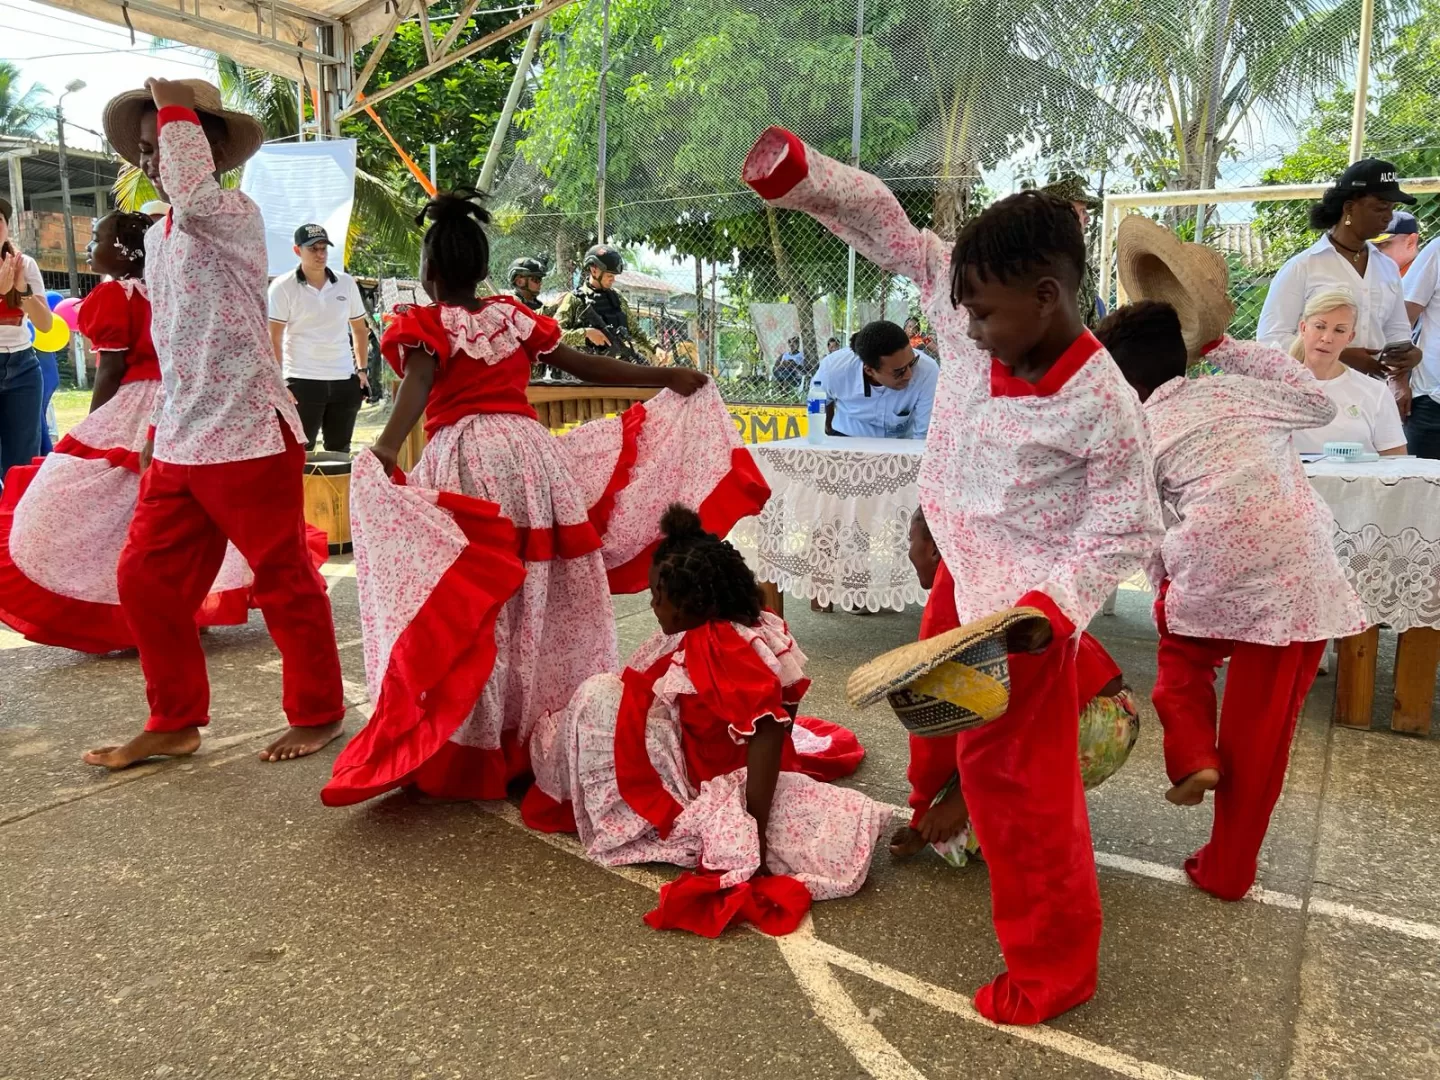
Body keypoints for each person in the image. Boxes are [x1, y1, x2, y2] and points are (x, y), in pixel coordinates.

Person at [744, 126, 1162, 1025]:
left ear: (1048, 297)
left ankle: (1054, 972)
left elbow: (1125, 523)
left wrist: (1052, 607)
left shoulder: (1102, 402)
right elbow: (886, 226)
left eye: (982, 318)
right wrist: (803, 177)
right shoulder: (978, 296)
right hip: (959, 577)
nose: (962, 333)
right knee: (929, 724)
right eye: (960, 312)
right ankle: (938, 815)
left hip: (1023, 623)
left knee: (1025, 802)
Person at [320, 192, 770, 808]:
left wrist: (385, 450)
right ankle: (539, 729)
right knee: (539, 591)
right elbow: (586, 366)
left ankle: (480, 738)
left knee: (479, 598)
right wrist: (663, 375)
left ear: (429, 272)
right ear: (484, 268)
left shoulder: (425, 324)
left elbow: (418, 386)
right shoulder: (512, 317)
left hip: (467, 462)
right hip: (531, 463)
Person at [83, 77, 345, 769]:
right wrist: (154, 430)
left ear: (213, 152)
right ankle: (173, 721)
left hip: (249, 430)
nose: (153, 160)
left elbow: (194, 193)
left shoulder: (231, 211)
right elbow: (173, 339)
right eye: (146, 148)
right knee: (145, 580)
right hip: (182, 436)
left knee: (282, 579)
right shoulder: (160, 235)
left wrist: (176, 107)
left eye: (167, 142)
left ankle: (318, 711)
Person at [1095, 293, 1364, 902]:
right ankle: (1229, 869)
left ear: (1125, 385)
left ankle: (1194, 755)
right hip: (1303, 573)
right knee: (1263, 733)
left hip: (1214, 564)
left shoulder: (1140, 430)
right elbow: (1317, 398)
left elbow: (1146, 527)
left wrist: (1170, 593)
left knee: (1182, 660)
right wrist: (1226, 347)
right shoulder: (1241, 391)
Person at [520, 504, 886, 935]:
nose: (652, 604)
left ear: (691, 603)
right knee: (603, 702)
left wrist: (753, 828)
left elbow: (768, 729)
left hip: (713, 773)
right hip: (714, 752)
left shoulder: (718, 646)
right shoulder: (743, 624)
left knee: (596, 699)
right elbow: (780, 710)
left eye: (658, 596)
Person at [0, 211, 323, 651]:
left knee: (123, 515)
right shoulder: (171, 288)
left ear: (123, 252)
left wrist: (97, 423)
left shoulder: (115, 295)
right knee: (193, 510)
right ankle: (193, 605)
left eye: (97, 239)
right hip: (186, 399)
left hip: (137, 405)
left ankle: (130, 612)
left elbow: (111, 369)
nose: (91, 249)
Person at [890, 509, 1139, 864]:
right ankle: (1027, 798)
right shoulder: (990, 561)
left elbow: (937, 729)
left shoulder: (953, 587)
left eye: (910, 541)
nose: (908, 552)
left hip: (1093, 723)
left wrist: (945, 806)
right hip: (1104, 712)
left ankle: (1028, 808)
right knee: (969, 777)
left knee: (956, 838)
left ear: (933, 549)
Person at [1256, 159, 1421, 414]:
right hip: (1312, 396)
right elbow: (1270, 339)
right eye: (1380, 207)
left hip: (1369, 399)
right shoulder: (1304, 266)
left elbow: (1396, 332)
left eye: (1391, 208)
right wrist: (1340, 354)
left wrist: (1408, 357)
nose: (1388, 217)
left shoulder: (1387, 268)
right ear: (1350, 208)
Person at [267, 224, 370, 454]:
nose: (320, 254)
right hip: (301, 380)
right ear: (297, 250)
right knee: (299, 453)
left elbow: (359, 329)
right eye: (313, 249)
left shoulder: (346, 283)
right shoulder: (282, 287)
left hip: (343, 379)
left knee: (340, 453)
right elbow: (274, 337)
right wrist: (279, 382)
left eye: (323, 248)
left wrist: (362, 370)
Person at [1288, 289, 1406, 456]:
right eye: (1320, 327)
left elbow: (1396, 459)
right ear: (1303, 328)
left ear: (1350, 337)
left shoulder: (1375, 392)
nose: (1327, 338)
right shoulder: (1277, 387)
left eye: (1339, 330)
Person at [0, 196, 52, 483]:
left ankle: (14, 512)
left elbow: (45, 324)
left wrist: (21, 291)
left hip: (23, 367)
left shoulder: (25, 264)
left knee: (21, 463)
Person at [815, 319, 938, 439]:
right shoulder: (833, 369)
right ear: (869, 370)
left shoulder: (927, 371)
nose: (909, 375)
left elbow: (923, 436)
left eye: (912, 363)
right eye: (899, 371)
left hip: (901, 443)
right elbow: (817, 401)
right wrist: (827, 430)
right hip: (847, 437)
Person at [553, 245, 657, 364]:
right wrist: (586, 334)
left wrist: (655, 347)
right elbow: (554, 335)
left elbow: (636, 331)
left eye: (614, 276)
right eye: (609, 275)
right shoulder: (575, 299)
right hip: (585, 369)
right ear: (594, 270)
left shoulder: (617, 297)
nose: (613, 279)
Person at [1041, 172, 1105, 327]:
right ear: (1061, 215)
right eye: (1082, 211)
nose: (1087, 218)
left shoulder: (1078, 265)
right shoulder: (1033, 264)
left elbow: (1093, 325)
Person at [1402, 236, 1440, 457]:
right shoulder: (1437, 250)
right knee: (1418, 478)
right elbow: (1400, 318)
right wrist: (1397, 379)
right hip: (1433, 403)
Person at [1374, 211, 1420, 276]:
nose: (1373, 250)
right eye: (1370, 245)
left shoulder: (1426, 277)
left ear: (1410, 241)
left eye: (1383, 244)